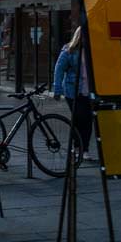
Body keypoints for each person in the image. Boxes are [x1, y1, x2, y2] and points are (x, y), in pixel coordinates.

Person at [52, 26, 94, 158]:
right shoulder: (69, 50)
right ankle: (76, 147)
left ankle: (84, 149)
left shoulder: (93, 50)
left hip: (89, 90)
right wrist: (57, 89)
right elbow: (59, 70)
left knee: (88, 120)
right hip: (73, 91)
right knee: (79, 118)